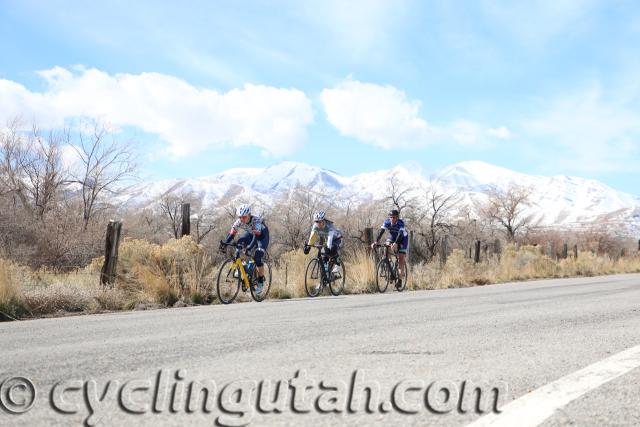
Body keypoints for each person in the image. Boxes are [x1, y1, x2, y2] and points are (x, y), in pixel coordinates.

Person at [219, 204, 269, 293]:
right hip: (250, 234)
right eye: (240, 217)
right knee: (239, 243)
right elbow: (232, 234)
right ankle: (242, 267)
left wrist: (249, 247)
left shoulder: (256, 221)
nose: (242, 219)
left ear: (249, 215)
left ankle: (260, 281)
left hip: (262, 236)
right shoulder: (239, 221)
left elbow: (256, 237)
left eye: (244, 217)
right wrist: (225, 244)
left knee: (257, 257)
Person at [371, 209, 408, 289]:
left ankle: (400, 280)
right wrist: (376, 242)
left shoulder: (400, 223)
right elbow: (381, 232)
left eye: (394, 217)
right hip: (392, 236)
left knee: (400, 258)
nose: (392, 219)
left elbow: (400, 234)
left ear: (397, 218)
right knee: (385, 249)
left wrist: (395, 244)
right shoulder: (387, 222)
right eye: (391, 217)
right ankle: (390, 267)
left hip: (402, 238)